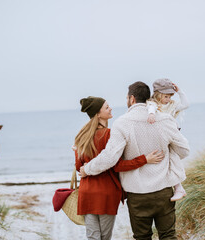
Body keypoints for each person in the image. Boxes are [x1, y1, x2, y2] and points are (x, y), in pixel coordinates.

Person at [79, 82, 190, 240]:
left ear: (131, 99)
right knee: (168, 235)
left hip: (137, 195)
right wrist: (166, 147)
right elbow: (184, 150)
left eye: (126, 97)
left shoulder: (122, 123)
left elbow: (110, 157)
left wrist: (87, 169)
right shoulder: (165, 120)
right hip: (164, 191)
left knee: (142, 237)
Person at [74, 96, 164, 240]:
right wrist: (144, 159)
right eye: (106, 107)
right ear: (98, 113)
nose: (110, 109)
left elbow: (79, 168)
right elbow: (118, 166)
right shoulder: (109, 135)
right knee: (104, 237)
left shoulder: (81, 137)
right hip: (106, 193)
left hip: (86, 193)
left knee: (92, 236)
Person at [146, 78, 190, 201]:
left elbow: (186, 104)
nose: (168, 99)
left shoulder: (172, 105)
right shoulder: (154, 105)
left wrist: (180, 91)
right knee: (168, 160)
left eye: (170, 96)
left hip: (172, 135)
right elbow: (151, 108)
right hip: (161, 137)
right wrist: (151, 114)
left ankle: (179, 187)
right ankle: (178, 187)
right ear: (158, 95)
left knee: (174, 159)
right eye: (166, 96)